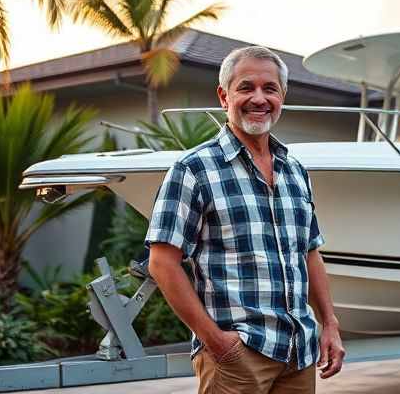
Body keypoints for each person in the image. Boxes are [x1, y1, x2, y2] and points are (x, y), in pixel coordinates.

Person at [145, 45, 344, 394]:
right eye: (246, 87)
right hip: (237, 355)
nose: (259, 98)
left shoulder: (295, 170)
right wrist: (217, 342)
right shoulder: (193, 170)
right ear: (224, 96)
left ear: (282, 96)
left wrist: (329, 323)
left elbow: (309, 253)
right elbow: (162, 263)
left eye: (270, 89)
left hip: (298, 352)